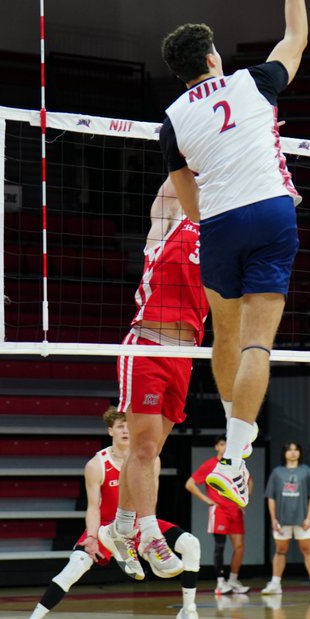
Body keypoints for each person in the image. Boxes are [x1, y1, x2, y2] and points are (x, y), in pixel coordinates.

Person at [159, 0, 310, 508]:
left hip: (218, 224)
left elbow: (187, 201)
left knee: (223, 336)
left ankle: (234, 450)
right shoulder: (252, 83)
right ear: (213, 56)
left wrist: (213, 219)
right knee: (257, 345)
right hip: (272, 214)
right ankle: (233, 457)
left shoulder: (171, 121)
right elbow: (294, 39)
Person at [12, 408, 200, 619]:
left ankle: (188, 611)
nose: (125, 430)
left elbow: (150, 499)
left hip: (140, 522)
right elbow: (93, 506)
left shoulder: (150, 460)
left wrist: (147, 536)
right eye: (120, 425)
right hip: (105, 525)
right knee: (75, 566)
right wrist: (91, 537)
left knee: (191, 544)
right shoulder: (96, 464)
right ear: (111, 430)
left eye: (129, 425)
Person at [100, 179, 208, 580]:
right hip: (146, 345)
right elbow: (175, 178)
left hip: (186, 355)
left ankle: (122, 526)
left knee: (149, 452)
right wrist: (206, 135)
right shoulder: (170, 221)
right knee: (144, 450)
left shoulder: (221, 234)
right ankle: (150, 535)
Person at [187, 435, 253, 594]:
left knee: (239, 547)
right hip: (219, 511)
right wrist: (207, 499)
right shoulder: (211, 464)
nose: (225, 447)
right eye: (222, 444)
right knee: (220, 546)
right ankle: (220, 582)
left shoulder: (233, 464)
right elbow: (190, 484)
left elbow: (249, 481)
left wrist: (244, 499)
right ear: (217, 446)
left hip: (235, 511)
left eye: (228, 444)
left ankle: (233, 580)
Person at [261, 441, 310, 596]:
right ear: (284, 453)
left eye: (296, 449)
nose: (293, 452)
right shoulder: (277, 473)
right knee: (280, 550)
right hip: (282, 520)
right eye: (289, 450)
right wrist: (274, 519)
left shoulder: (306, 471)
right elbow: (271, 498)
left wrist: (309, 517)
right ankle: (275, 583)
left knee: (307, 549)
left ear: (300, 453)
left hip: (302, 520)